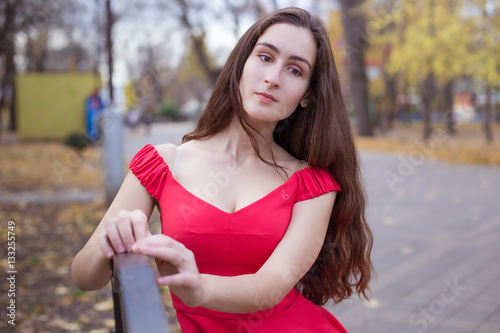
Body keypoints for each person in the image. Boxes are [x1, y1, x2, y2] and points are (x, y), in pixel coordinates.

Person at [72, 7, 373, 332]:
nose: (272, 78)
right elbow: (84, 276)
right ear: (241, 64)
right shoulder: (162, 164)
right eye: (265, 57)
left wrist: (199, 287)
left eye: (295, 71)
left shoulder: (312, 184)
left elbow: (271, 286)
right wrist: (110, 239)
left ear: (307, 96)